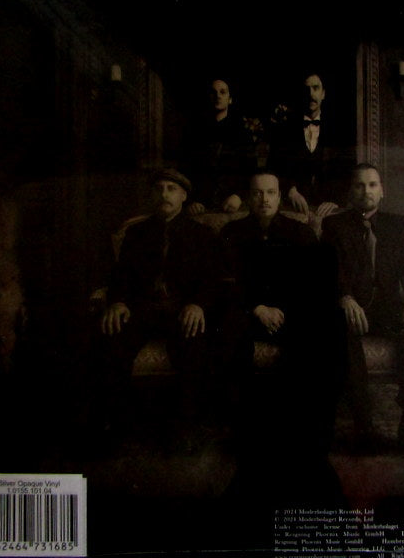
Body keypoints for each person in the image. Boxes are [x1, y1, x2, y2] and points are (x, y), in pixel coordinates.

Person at [220, 171, 343, 506]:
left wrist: (286, 310)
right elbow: (226, 282)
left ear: (279, 196)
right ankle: (242, 431)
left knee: (320, 331)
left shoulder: (299, 231)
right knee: (229, 331)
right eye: (257, 193)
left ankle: (306, 433)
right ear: (249, 197)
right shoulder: (232, 232)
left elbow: (314, 282)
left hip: (290, 314)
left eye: (271, 192)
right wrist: (257, 308)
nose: (264, 199)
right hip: (250, 313)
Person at [91, 167, 220, 449]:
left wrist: (198, 304)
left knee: (193, 347)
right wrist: (118, 301)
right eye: (159, 189)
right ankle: (118, 426)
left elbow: (211, 279)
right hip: (142, 310)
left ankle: (185, 427)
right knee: (110, 340)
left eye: (171, 189)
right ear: (151, 195)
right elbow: (121, 275)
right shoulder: (136, 232)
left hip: (181, 310)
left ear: (184, 196)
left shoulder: (201, 234)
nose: (164, 195)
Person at [321, 163, 404, 454]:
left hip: (387, 310)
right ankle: (364, 426)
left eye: (372, 185)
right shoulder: (334, 226)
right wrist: (344, 298)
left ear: (382, 191)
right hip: (351, 308)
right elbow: (329, 271)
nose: (366, 191)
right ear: (350, 192)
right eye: (359, 185)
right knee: (337, 331)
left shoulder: (396, 227)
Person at [269, 71, 348, 218]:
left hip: (328, 211)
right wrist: (290, 190)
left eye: (315, 88)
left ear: (323, 94)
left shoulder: (337, 130)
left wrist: (334, 200)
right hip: (292, 209)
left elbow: (345, 171)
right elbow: (273, 168)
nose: (311, 94)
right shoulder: (284, 129)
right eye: (306, 89)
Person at [181, 77, 254, 214]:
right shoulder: (194, 132)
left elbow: (250, 170)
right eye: (213, 92)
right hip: (199, 204)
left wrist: (239, 196)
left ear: (230, 99)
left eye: (222, 92)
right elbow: (186, 169)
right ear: (208, 97)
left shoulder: (242, 133)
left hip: (233, 202)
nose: (218, 96)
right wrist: (192, 200)